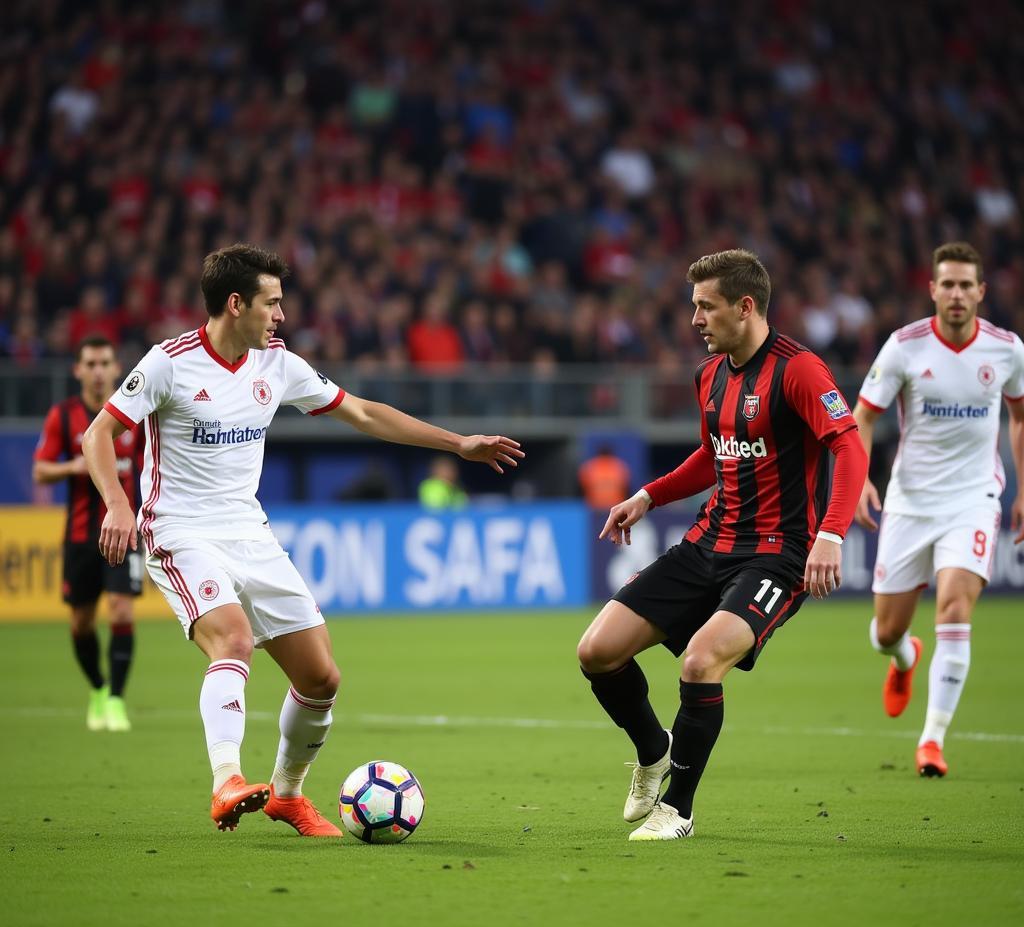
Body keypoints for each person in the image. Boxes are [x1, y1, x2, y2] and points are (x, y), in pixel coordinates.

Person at [83, 244, 524, 837]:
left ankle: (286, 795)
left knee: (321, 678)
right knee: (233, 639)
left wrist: (457, 444)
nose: (281, 316)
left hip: (249, 531)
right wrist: (117, 504)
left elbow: (364, 414)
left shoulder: (277, 365)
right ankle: (225, 780)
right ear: (235, 304)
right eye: (272, 304)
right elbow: (99, 434)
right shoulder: (169, 363)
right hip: (180, 530)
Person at [577, 249, 868, 841]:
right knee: (596, 652)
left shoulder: (800, 371)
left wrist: (832, 534)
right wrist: (649, 496)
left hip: (778, 554)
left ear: (745, 306)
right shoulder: (710, 375)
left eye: (705, 306)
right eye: (694, 307)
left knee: (701, 662)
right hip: (708, 541)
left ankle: (677, 809)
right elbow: (714, 454)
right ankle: (654, 753)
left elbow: (850, 447)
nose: (695, 319)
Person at [852, 242, 1024, 778]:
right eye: (945, 284)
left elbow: (1020, 418)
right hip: (910, 502)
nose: (955, 294)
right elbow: (861, 415)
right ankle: (905, 656)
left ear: (980, 292)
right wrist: (858, 482)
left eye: (964, 285)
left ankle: (931, 741)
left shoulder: (1007, 350)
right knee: (884, 633)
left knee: (954, 607)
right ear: (932, 289)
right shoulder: (905, 347)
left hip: (974, 499)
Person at [33, 337, 145, 732]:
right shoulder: (63, 416)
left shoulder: (134, 416)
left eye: (105, 363)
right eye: (91, 364)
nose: (98, 371)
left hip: (126, 532)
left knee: (121, 609)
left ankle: (115, 699)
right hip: (81, 534)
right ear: (78, 370)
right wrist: (75, 467)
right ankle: (97, 688)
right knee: (80, 623)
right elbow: (40, 470)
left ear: (117, 369)